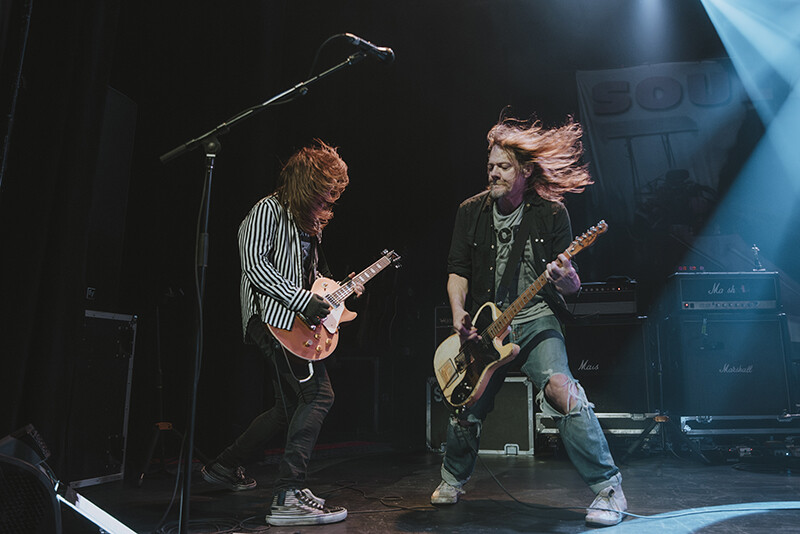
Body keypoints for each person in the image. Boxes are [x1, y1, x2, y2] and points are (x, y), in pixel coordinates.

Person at [431, 115, 628, 527]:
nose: (493, 173)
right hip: (489, 326)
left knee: (561, 390)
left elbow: (572, 289)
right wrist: (457, 314)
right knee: (464, 401)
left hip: (537, 320)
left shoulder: (551, 214)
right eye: (490, 166)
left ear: (524, 171)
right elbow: (456, 270)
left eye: (502, 167)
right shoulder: (470, 211)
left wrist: (568, 278)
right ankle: (452, 477)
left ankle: (609, 488)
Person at [201, 140, 361, 527]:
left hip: (292, 320)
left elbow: (309, 282)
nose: (330, 198)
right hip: (271, 318)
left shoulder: (308, 225)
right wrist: (298, 300)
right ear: (308, 182)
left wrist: (337, 290)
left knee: (288, 408)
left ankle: (224, 467)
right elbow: (254, 265)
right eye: (326, 188)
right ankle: (289, 493)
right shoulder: (268, 209)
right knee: (319, 395)